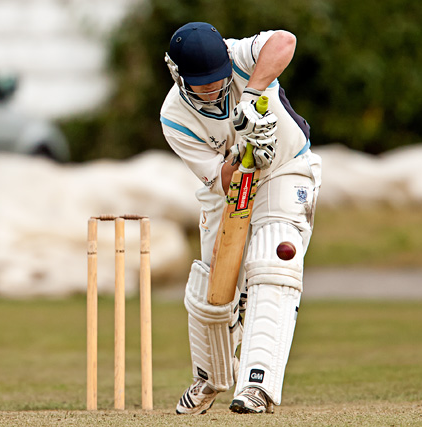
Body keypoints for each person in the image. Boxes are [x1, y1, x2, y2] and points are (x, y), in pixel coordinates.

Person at [160, 22, 321, 415]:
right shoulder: (173, 117)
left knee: (273, 259)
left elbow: (285, 41)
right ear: (178, 76)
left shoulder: (239, 56)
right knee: (213, 289)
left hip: (284, 168)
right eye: (203, 86)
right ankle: (211, 376)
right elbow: (221, 178)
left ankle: (256, 385)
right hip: (230, 186)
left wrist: (249, 97)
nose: (214, 92)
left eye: (218, 82)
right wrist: (246, 153)